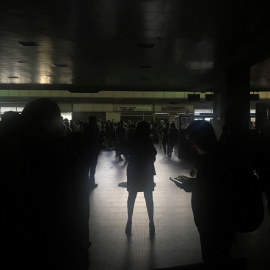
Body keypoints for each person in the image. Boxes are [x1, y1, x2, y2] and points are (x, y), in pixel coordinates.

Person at [3, 98, 90, 269]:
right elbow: (78, 208)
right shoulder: (66, 158)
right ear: (55, 122)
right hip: (61, 245)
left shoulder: (12, 156)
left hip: (20, 247)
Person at [173, 120, 235, 263]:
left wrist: (191, 186)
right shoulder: (219, 156)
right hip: (216, 222)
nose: (192, 145)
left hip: (214, 222)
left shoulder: (213, 161)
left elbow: (215, 191)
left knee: (214, 256)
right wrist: (194, 183)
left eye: (193, 140)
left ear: (202, 139)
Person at [125, 121, 157, 236]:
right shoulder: (147, 140)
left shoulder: (132, 139)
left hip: (133, 171)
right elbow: (153, 153)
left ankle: (129, 220)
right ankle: (151, 222)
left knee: (131, 196)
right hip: (146, 171)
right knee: (148, 197)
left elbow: (125, 150)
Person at [83, 116, 101, 189]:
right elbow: (97, 141)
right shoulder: (95, 129)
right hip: (94, 150)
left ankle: (86, 182)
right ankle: (92, 182)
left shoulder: (86, 128)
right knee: (93, 167)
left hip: (87, 150)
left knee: (87, 166)